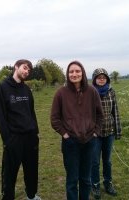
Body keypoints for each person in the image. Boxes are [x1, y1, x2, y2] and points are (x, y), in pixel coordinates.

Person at [50, 61, 104, 200]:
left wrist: (95, 132)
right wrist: (65, 134)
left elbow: (99, 114)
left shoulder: (92, 91)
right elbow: (54, 118)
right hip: (70, 143)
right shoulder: (61, 93)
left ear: (83, 73)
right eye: (71, 72)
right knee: (72, 179)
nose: (74, 74)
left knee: (86, 179)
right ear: (67, 74)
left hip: (89, 141)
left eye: (77, 71)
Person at [0, 59, 41, 200]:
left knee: (32, 170)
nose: (27, 71)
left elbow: (31, 112)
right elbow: (0, 116)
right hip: (13, 139)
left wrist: (36, 132)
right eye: (25, 68)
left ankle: (31, 195)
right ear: (16, 67)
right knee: (9, 173)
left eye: (28, 70)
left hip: (30, 138)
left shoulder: (26, 89)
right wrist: (7, 139)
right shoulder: (3, 87)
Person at [91, 68, 122, 199]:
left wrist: (118, 130)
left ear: (107, 79)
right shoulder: (90, 92)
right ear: (94, 79)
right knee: (94, 162)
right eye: (99, 77)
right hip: (94, 133)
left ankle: (108, 183)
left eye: (104, 77)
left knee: (107, 161)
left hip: (109, 132)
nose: (101, 79)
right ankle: (95, 185)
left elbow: (115, 111)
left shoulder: (111, 91)